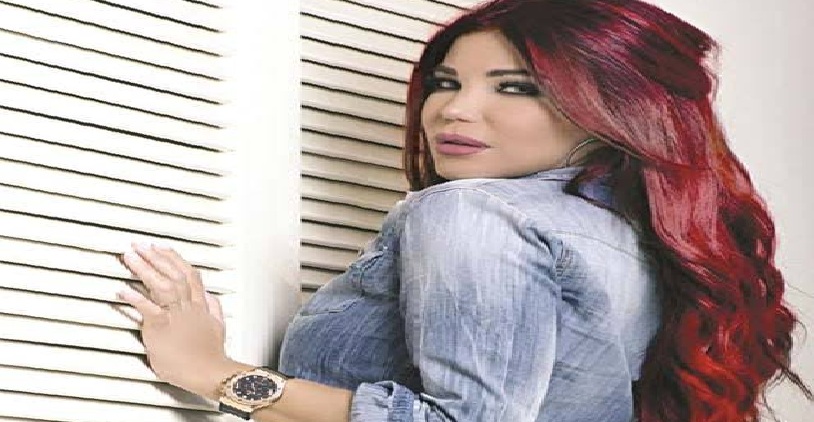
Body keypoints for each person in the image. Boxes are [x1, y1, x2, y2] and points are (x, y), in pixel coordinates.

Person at [116, 0, 812, 421]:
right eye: (445, 82)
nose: (454, 109)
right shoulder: (641, 244)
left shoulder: (474, 213)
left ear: (610, 111)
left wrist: (213, 373)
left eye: (516, 87)